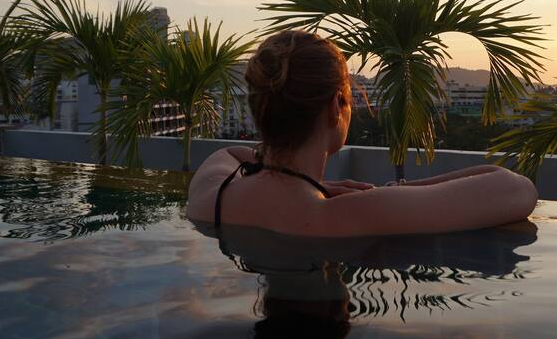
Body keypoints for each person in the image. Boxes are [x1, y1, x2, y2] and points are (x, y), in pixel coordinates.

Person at [187, 29, 537, 236]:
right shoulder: (350, 215)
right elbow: (517, 189)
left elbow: (226, 155)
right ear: (333, 108)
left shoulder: (210, 199)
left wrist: (306, 181)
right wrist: (392, 192)